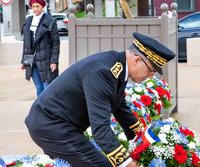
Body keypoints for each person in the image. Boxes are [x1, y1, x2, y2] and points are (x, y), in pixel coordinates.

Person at [25, 32, 176, 167]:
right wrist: (126, 162)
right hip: (51, 125)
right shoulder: (103, 73)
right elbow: (100, 128)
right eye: (150, 71)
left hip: (59, 124)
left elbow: (120, 108)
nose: (150, 76)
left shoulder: (117, 67)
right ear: (137, 60)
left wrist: (144, 140)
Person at [21, 0, 60, 96]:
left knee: (47, 87)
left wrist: (54, 61)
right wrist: (24, 61)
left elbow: (55, 43)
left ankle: (49, 109)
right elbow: (26, 44)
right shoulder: (28, 21)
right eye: (33, 6)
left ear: (42, 7)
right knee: (38, 87)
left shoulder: (50, 21)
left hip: (46, 59)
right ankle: (40, 109)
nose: (35, 9)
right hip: (32, 60)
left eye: (37, 6)